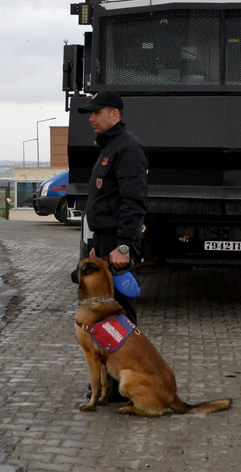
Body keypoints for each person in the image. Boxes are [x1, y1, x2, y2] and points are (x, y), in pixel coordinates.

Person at [77, 89, 148, 324]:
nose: (91, 118)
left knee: (121, 313)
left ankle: (130, 360)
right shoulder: (110, 147)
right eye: (91, 113)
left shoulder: (128, 148)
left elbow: (133, 202)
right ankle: (113, 360)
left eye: (97, 112)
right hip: (104, 241)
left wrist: (124, 246)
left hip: (118, 243)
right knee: (105, 313)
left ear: (114, 114)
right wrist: (96, 245)